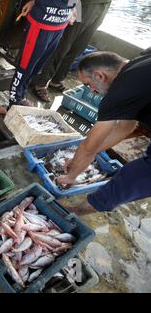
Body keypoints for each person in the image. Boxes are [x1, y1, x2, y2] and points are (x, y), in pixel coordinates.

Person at [56, 51, 151, 215]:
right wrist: (91, 153)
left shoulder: (119, 91)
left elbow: (88, 147)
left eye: (88, 84)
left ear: (99, 76)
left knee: (135, 176)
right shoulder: (141, 61)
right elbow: (125, 127)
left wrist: (71, 176)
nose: (91, 91)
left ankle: (77, 211)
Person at [32, 0, 115, 102]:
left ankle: (57, 79)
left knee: (79, 46)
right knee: (65, 43)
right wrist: (72, 4)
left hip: (105, 1)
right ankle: (41, 83)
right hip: (83, 2)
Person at [9, 0, 83, 106]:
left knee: (38, 65)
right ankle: (14, 98)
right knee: (26, 65)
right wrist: (34, 0)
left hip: (60, 26)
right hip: (39, 25)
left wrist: (73, 8)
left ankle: (22, 93)